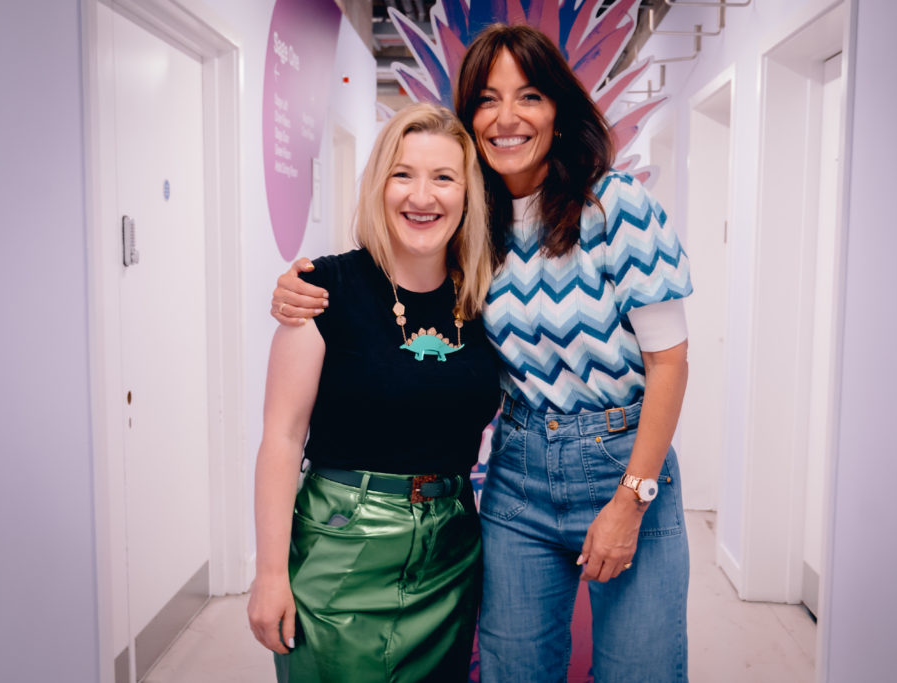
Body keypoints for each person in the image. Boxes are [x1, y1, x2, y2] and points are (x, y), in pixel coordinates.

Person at [271, 24, 693, 683]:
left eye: (529, 96)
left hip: (622, 457)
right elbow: (394, 276)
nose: (507, 117)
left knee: (640, 669)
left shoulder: (616, 206)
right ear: (470, 119)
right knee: (511, 669)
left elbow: (671, 361)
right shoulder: (475, 223)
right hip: (518, 469)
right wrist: (299, 286)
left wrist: (631, 497)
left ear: (559, 109)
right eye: (488, 100)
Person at [249, 102, 500, 683]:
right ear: (378, 185)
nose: (422, 196)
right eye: (403, 174)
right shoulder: (321, 289)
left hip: (451, 551)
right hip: (343, 546)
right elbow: (282, 439)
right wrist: (269, 574)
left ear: (467, 196)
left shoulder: (485, 300)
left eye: (443, 178)